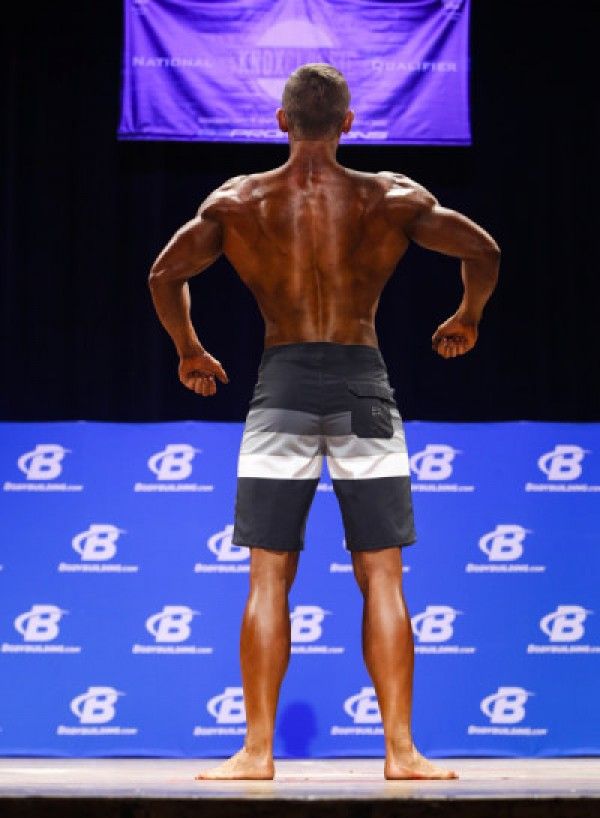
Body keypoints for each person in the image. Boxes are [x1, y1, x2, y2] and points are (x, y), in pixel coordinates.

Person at [148, 63, 500, 780]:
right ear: (348, 123)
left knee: (268, 575)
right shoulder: (389, 197)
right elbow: (483, 250)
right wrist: (468, 315)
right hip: (362, 381)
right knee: (383, 574)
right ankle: (400, 752)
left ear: (281, 121)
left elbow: (163, 274)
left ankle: (256, 752)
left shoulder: (238, 201)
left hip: (280, 385)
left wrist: (189, 350)